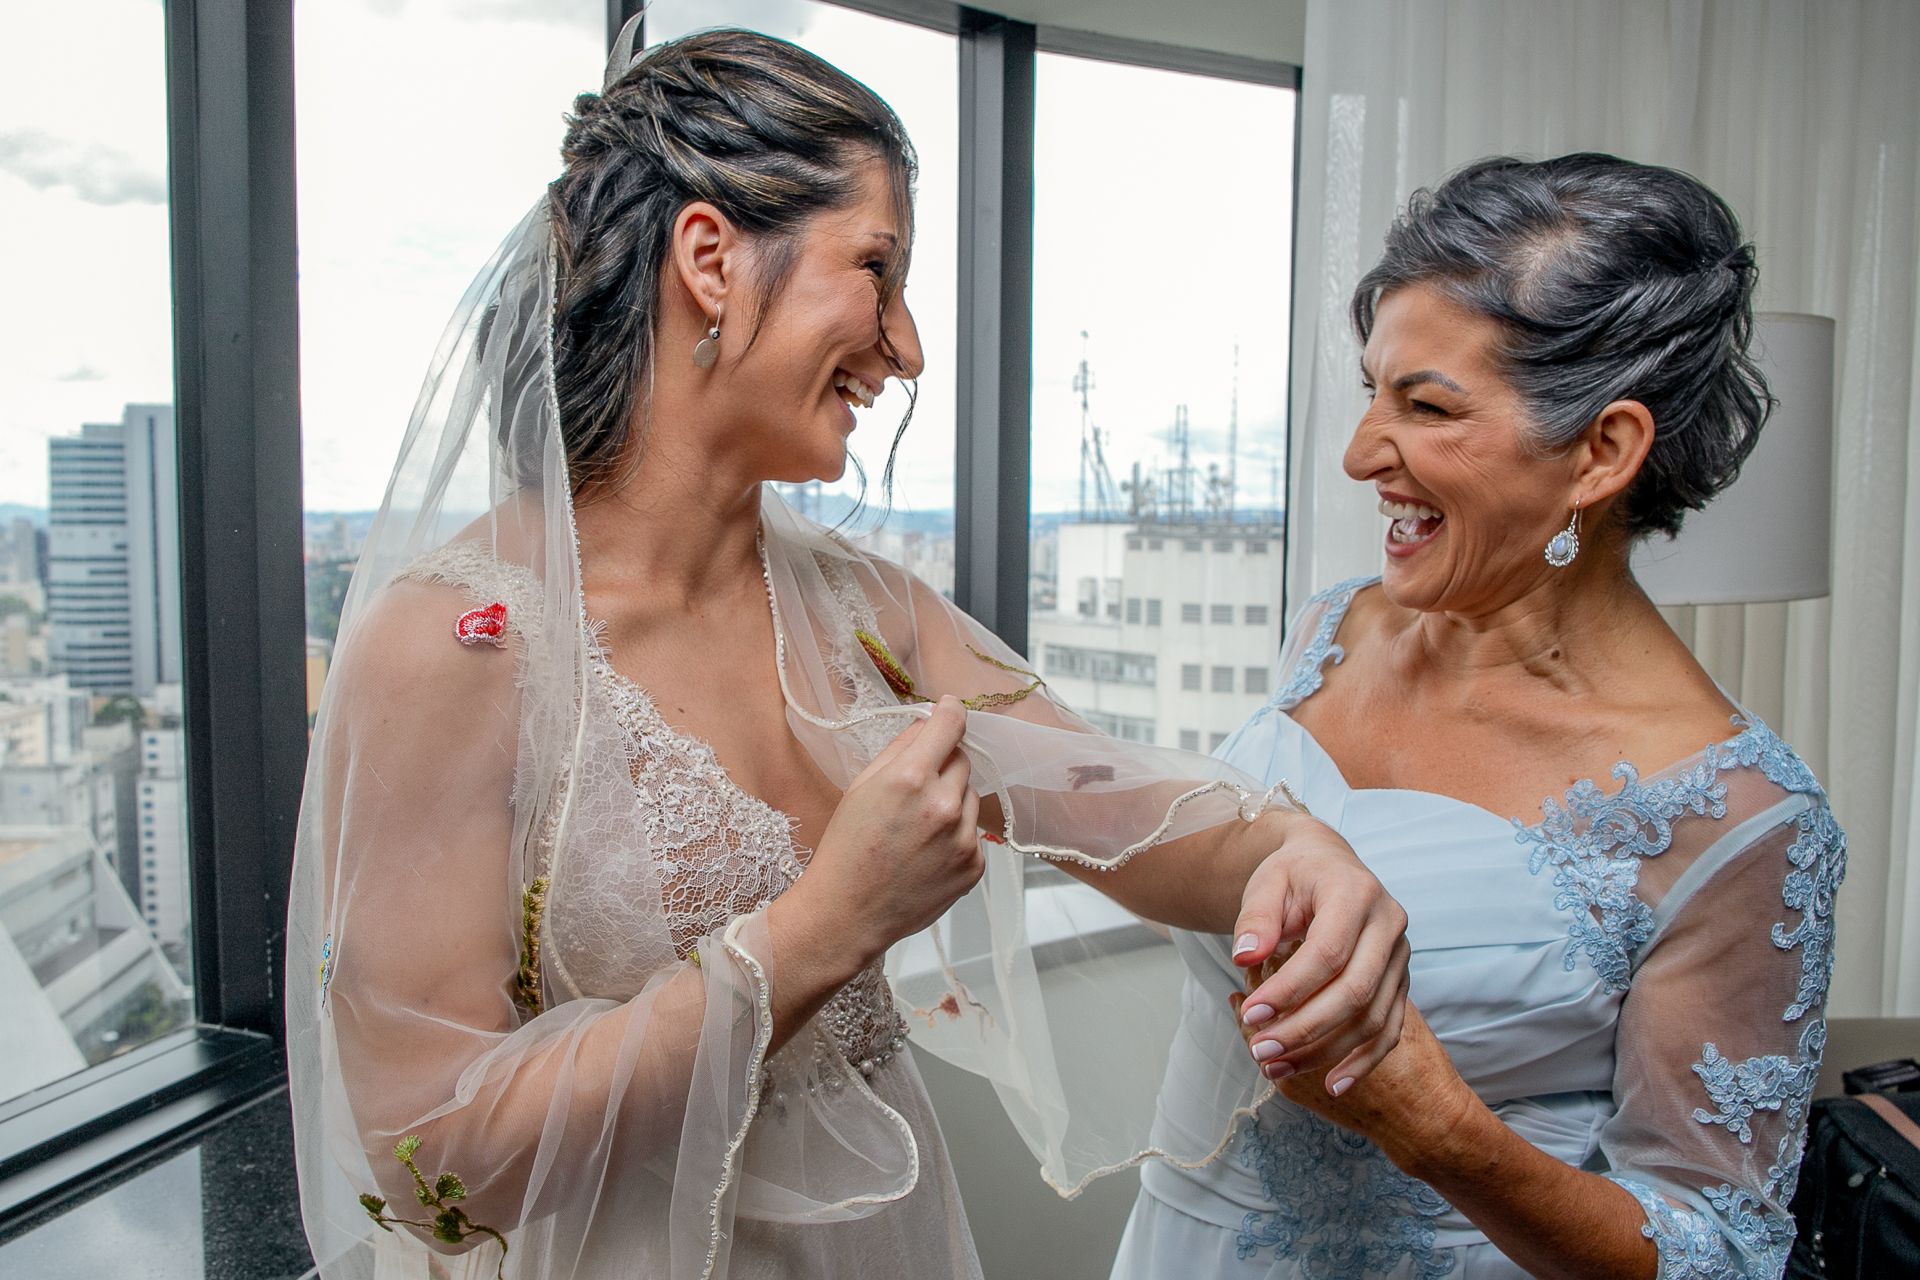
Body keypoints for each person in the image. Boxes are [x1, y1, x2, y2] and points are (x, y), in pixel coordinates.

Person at [285, 26, 1412, 1280]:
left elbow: (1116, 805)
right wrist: (818, 927)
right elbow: (423, 1155)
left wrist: (1304, 846)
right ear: (708, 257)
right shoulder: (460, 644)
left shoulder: (869, 613)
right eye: (876, 270)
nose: (908, 348)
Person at [1111, 154, 1846, 1280]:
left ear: (1601, 452)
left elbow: (1721, 1254)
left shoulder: (1741, 818)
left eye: (1426, 406)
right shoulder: (1333, 628)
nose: (1362, 453)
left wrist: (1435, 1128)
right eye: (1371, 389)